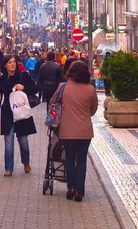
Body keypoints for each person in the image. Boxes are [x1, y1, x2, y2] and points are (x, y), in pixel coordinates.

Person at [50, 61, 98, 202]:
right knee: (82, 160)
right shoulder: (90, 89)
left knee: (70, 159)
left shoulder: (63, 87)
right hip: (85, 131)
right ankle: (79, 191)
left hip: (67, 130)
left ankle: (70, 187)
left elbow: (52, 103)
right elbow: (93, 109)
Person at [0, 54, 38, 176]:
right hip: (7, 112)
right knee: (8, 141)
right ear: (5, 65)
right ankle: (8, 168)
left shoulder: (23, 76)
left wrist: (23, 87)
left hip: (21, 111)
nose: (12, 64)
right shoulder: (1, 79)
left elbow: (35, 88)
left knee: (23, 140)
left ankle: (26, 161)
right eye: (9, 62)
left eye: (14, 62)